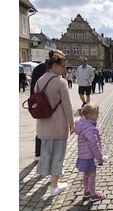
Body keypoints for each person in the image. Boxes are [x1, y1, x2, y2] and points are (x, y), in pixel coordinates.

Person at [35, 49, 74, 196]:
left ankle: (49, 178)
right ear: (55, 66)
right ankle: (54, 185)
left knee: (46, 153)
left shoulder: (40, 81)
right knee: (58, 154)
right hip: (57, 125)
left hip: (43, 124)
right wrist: (71, 122)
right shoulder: (60, 82)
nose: (65, 70)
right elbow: (67, 105)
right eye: (63, 67)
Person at [74, 103, 106, 201]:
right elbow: (93, 143)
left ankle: (86, 191)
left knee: (86, 174)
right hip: (90, 156)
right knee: (92, 174)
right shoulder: (90, 128)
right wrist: (99, 156)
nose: (98, 117)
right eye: (97, 115)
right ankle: (93, 194)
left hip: (83, 156)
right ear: (91, 115)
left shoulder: (82, 125)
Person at [30, 58, 49, 161]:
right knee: (46, 129)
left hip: (36, 101)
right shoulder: (46, 69)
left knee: (40, 128)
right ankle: (43, 154)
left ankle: (38, 153)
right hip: (44, 102)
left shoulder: (37, 68)